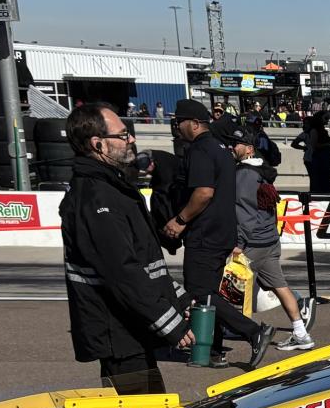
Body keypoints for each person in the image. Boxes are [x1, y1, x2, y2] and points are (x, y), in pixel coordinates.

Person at [58, 102, 192, 393]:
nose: (131, 140)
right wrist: (170, 322)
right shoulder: (95, 198)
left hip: (132, 329)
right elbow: (123, 272)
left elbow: (145, 263)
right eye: (123, 135)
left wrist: (179, 299)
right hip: (117, 334)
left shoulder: (114, 188)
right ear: (98, 144)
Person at [166, 102, 271, 368]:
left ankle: (253, 332)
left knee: (199, 292)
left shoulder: (200, 150)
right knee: (211, 294)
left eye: (179, 121)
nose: (176, 127)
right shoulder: (222, 151)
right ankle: (213, 351)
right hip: (222, 233)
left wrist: (180, 221)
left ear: (194, 123)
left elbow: (203, 193)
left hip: (205, 233)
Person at [229, 131, 315, 353]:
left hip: (253, 243)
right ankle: (301, 333)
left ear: (249, 149)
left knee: (226, 284)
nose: (232, 147)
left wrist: (239, 241)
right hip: (269, 241)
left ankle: (232, 327)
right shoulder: (262, 172)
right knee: (280, 286)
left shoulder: (245, 174)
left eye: (237, 144)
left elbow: (245, 211)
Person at [292, 110, 330, 194]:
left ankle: (316, 195)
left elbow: (295, 144)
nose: (327, 120)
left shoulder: (311, 132)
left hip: (315, 158)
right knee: (318, 180)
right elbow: (314, 146)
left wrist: (304, 148)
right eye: (326, 118)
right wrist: (328, 144)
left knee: (317, 180)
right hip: (315, 159)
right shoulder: (314, 131)